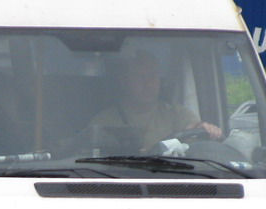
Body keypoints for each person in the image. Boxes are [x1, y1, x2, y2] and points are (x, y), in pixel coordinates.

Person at [88, 51, 221, 152]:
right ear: (124, 82)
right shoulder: (103, 122)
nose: (147, 84)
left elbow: (195, 131)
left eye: (152, 76)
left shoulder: (177, 114)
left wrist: (207, 130)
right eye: (139, 77)